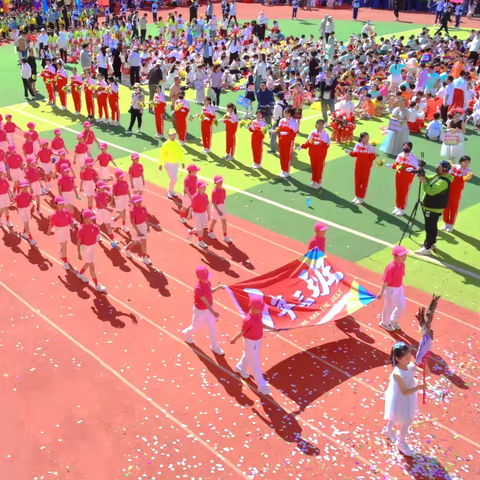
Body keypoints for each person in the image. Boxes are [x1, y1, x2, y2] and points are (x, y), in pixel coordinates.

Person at [383, 342, 427, 457]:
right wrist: (419, 387)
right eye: (406, 358)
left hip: (408, 395)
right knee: (407, 420)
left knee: (396, 414)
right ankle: (401, 442)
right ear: (398, 359)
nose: (409, 360)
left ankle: (387, 430)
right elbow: (405, 391)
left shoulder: (410, 365)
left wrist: (425, 363)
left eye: (410, 357)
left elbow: (427, 374)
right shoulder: (397, 374)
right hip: (400, 397)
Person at [230, 295, 275, 396]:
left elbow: (260, 324)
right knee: (255, 363)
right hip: (250, 342)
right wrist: (234, 339)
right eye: (258, 309)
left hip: (258, 340)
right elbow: (242, 331)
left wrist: (271, 328)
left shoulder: (258, 314)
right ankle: (262, 386)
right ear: (253, 308)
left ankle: (240, 368)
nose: (260, 311)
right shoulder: (248, 320)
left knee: (248, 355)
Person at [182, 265, 226, 355]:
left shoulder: (207, 283)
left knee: (212, 329)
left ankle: (215, 347)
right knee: (195, 327)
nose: (206, 279)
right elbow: (205, 301)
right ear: (198, 277)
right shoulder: (198, 288)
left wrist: (219, 287)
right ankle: (186, 333)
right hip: (200, 311)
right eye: (204, 278)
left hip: (209, 310)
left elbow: (210, 291)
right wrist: (213, 312)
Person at [416, 161, 454, 255]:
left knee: (429, 227)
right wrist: (423, 175)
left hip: (433, 208)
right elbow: (430, 179)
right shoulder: (439, 176)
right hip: (432, 207)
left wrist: (424, 182)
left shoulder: (443, 182)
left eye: (440, 167)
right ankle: (432, 243)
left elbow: (431, 191)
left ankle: (427, 247)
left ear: (445, 169)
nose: (438, 168)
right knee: (432, 226)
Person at [377, 245, 408, 331]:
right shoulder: (391, 267)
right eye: (402, 256)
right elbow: (385, 281)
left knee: (402, 306)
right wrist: (381, 292)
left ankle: (393, 320)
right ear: (395, 256)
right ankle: (385, 322)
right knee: (389, 306)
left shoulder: (402, 265)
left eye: (405, 255)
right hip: (390, 289)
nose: (404, 257)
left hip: (399, 288)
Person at [76, 209, 107, 292]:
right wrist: (79, 253)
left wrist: (111, 241)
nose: (92, 219)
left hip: (92, 247)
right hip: (86, 248)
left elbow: (100, 233)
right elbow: (78, 242)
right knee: (92, 267)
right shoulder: (81, 229)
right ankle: (97, 285)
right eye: (90, 218)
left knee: (87, 262)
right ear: (85, 218)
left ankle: (80, 273)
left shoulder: (93, 226)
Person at [387, 141, 418, 216]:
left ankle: (402, 209)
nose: (405, 148)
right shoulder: (400, 155)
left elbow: (416, 169)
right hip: (398, 177)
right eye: (404, 146)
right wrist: (392, 166)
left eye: (407, 147)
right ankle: (398, 207)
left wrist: (412, 170)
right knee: (398, 192)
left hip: (407, 179)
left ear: (410, 148)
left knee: (404, 193)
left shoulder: (413, 158)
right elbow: (397, 164)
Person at [442, 156, 472, 232]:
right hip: (448, 190)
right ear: (461, 161)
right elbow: (448, 173)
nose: (466, 164)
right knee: (446, 207)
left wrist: (467, 177)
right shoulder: (454, 167)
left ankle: (451, 224)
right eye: (465, 162)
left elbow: (468, 176)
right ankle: (446, 223)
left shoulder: (468, 171)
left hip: (457, 192)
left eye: (468, 162)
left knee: (454, 208)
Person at [345, 132, 377, 204]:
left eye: (368, 138)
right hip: (358, 166)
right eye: (365, 138)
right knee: (357, 181)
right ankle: (357, 196)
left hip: (366, 167)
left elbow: (373, 158)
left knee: (364, 182)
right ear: (361, 138)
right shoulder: (358, 145)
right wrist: (349, 152)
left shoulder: (371, 147)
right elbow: (355, 154)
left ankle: (361, 198)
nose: (367, 139)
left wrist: (372, 151)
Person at [298, 119, 330, 190]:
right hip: (312, 154)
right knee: (313, 168)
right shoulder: (312, 132)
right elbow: (308, 142)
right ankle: (313, 181)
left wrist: (318, 143)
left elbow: (326, 145)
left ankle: (318, 182)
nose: (319, 125)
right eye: (318, 124)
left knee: (319, 169)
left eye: (321, 124)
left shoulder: (325, 134)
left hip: (320, 155)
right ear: (316, 124)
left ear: (323, 125)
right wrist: (301, 146)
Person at [47, 196, 75, 270]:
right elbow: (51, 224)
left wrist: (72, 227)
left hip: (66, 229)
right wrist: (49, 231)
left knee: (65, 244)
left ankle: (61, 251)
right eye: (60, 204)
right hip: (59, 230)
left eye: (63, 204)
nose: (62, 206)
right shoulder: (54, 215)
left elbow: (70, 220)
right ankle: (65, 262)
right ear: (56, 204)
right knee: (64, 247)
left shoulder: (66, 212)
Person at [123, 194, 153, 265]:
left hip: (143, 225)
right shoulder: (132, 211)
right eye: (137, 202)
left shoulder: (143, 208)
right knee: (135, 242)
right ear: (133, 202)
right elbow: (133, 223)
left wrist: (148, 226)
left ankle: (144, 258)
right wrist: (138, 232)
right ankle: (126, 249)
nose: (139, 203)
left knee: (144, 241)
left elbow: (146, 217)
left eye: (139, 201)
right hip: (136, 227)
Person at [159, 129, 183, 199]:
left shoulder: (177, 143)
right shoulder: (165, 144)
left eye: (174, 135)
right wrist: (160, 164)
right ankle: (169, 190)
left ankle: (172, 190)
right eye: (172, 135)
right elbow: (162, 155)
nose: (173, 136)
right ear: (169, 136)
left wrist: (182, 162)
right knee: (174, 179)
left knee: (173, 178)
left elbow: (180, 153)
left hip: (176, 163)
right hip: (168, 163)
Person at [208, 174, 231, 243]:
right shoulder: (214, 192)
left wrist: (221, 208)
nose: (221, 183)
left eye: (221, 182)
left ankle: (225, 236)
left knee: (224, 222)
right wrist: (218, 211)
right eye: (219, 182)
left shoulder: (223, 190)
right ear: (215, 183)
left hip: (222, 206)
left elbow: (224, 198)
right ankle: (210, 232)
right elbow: (214, 202)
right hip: (216, 208)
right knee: (214, 221)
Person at [188, 180, 210, 249]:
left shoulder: (205, 195)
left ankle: (191, 232)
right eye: (203, 187)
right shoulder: (195, 197)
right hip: (196, 214)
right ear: (198, 188)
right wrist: (189, 215)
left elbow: (207, 205)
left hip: (203, 213)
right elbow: (191, 207)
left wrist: (209, 214)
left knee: (200, 228)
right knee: (201, 229)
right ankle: (200, 242)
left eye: (205, 186)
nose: (204, 188)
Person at [94, 181, 118, 247]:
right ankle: (97, 235)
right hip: (100, 211)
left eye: (103, 187)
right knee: (99, 225)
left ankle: (113, 239)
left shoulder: (105, 193)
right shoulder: (96, 196)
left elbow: (111, 194)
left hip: (106, 210)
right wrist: (109, 209)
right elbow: (101, 205)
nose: (103, 188)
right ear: (98, 187)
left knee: (108, 225)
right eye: (101, 187)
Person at [277, 106, 298, 178]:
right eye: (284, 112)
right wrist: (276, 132)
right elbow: (278, 129)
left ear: (289, 114)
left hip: (289, 141)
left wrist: (287, 134)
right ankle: (283, 170)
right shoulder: (281, 120)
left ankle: (287, 171)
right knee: (282, 155)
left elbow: (294, 134)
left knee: (287, 156)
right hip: (281, 140)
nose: (284, 114)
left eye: (285, 113)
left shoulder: (293, 122)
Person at [15, 180, 37, 246]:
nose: (25, 188)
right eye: (23, 187)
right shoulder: (18, 195)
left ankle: (24, 233)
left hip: (27, 209)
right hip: (21, 210)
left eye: (26, 186)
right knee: (26, 224)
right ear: (21, 188)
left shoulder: (29, 194)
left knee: (27, 222)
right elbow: (14, 200)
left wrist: (34, 202)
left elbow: (32, 199)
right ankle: (31, 239)